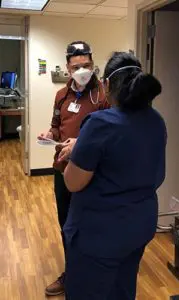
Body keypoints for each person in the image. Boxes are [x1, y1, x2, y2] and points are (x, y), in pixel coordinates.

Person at [62, 52, 167, 300]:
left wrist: (74, 152)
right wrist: (83, 144)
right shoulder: (156, 120)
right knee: (122, 290)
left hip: (99, 235)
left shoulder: (100, 123)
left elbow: (73, 182)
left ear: (107, 84)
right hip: (139, 226)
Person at [38, 41, 109, 296]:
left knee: (90, 227)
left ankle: (93, 276)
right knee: (66, 225)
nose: (82, 70)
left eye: (87, 65)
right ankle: (72, 274)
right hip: (63, 169)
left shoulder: (103, 95)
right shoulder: (62, 95)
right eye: (76, 66)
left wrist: (82, 142)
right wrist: (50, 134)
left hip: (92, 174)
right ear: (68, 68)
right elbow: (57, 124)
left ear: (93, 64)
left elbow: (112, 134)